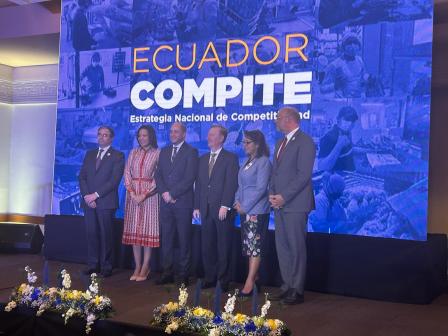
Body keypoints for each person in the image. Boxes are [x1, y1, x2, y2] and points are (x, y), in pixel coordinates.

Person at [269, 106, 316, 305]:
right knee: (283, 247)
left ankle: (297, 289)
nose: (275, 120)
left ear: (289, 119)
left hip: (295, 204)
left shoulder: (306, 142)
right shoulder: (281, 142)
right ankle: (286, 285)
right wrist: (272, 194)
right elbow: (276, 172)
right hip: (279, 204)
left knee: (296, 247)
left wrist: (283, 197)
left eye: (278, 117)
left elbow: (303, 175)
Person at [193, 125, 239, 292]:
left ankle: (223, 279)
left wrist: (225, 205)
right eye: (209, 134)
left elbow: (231, 184)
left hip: (222, 209)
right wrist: (197, 205)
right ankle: (210, 277)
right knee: (207, 245)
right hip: (205, 209)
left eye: (213, 135)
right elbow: (199, 184)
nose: (209, 137)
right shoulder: (203, 159)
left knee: (223, 245)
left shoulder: (230, 158)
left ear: (222, 138)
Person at [155, 123, 198, 286]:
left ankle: (184, 274)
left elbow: (190, 178)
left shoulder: (191, 152)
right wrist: (165, 193)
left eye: (176, 131)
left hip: (183, 203)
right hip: (165, 203)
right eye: (171, 131)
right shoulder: (164, 151)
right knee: (166, 238)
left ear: (184, 134)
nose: (172, 134)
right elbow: (158, 175)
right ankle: (167, 272)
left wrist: (172, 194)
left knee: (184, 239)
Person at [79, 126, 125, 277]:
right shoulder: (90, 154)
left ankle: (107, 266)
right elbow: (82, 177)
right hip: (88, 202)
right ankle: (93, 264)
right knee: (91, 233)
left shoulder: (118, 155)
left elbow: (114, 181)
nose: (101, 137)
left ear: (111, 138)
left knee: (106, 235)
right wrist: (87, 196)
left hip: (105, 202)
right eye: (99, 134)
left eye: (105, 135)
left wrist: (95, 195)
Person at [233, 130, 272, 296]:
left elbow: (262, 189)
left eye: (248, 142)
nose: (244, 145)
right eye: (243, 142)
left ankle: (249, 282)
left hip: (256, 210)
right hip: (244, 210)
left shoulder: (263, 162)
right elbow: (240, 185)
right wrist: (236, 201)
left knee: (255, 247)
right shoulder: (247, 162)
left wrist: (246, 206)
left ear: (257, 144)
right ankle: (254, 278)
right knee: (249, 247)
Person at [122, 125, 160, 281]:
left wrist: (144, 194)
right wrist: (132, 193)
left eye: (145, 135)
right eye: (139, 136)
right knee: (134, 231)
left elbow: (158, 176)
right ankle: (137, 266)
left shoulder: (158, 153)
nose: (141, 138)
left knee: (147, 230)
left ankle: (146, 266)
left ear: (151, 136)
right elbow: (127, 173)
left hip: (149, 195)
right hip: (132, 195)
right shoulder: (133, 152)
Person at [320, 34, 366, 98]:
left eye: (355, 42)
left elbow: (362, 81)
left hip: (357, 100)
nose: (352, 46)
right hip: (340, 103)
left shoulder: (360, 61)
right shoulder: (335, 65)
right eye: (349, 43)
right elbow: (323, 89)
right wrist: (335, 85)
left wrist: (367, 82)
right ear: (343, 46)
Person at [318, 106, 359, 172]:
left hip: (348, 176)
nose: (350, 124)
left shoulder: (347, 133)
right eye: (347, 120)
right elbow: (321, 167)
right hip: (335, 179)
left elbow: (345, 152)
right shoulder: (329, 137)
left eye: (353, 121)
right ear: (338, 119)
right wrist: (339, 145)